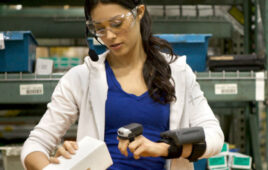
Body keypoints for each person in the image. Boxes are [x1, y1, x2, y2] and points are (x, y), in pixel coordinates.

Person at [21, 0, 224, 169]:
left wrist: (164, 148)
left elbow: (214, 137)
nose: (109, 36)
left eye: (117, 23)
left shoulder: (178, 73)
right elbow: (34, 144)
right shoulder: (81, 77)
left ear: (140, 12)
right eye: (99, 29)